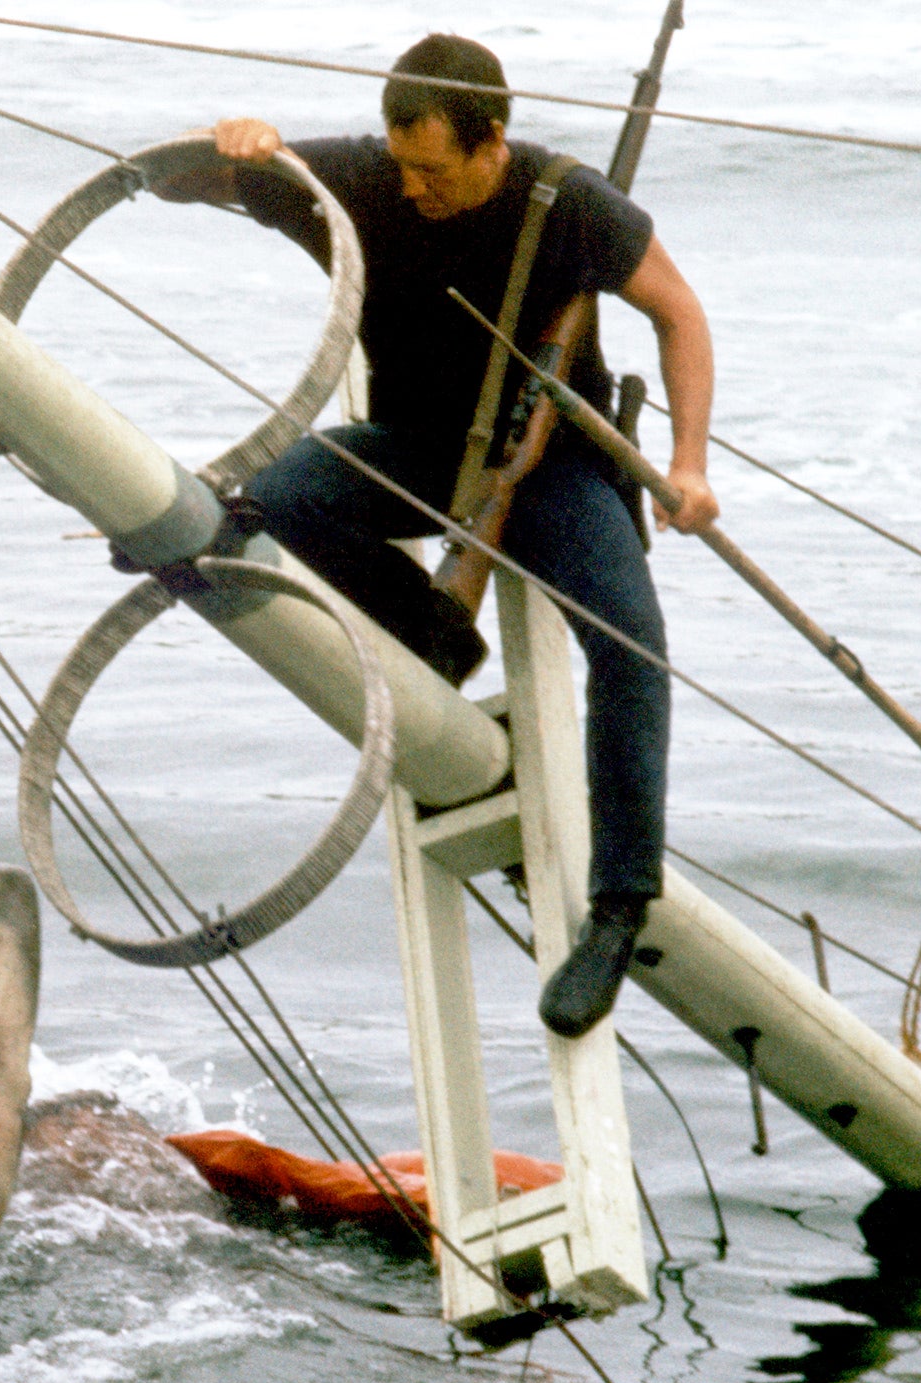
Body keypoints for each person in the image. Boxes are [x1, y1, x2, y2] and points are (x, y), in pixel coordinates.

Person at [154, 33, 720, 1038]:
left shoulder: (569, 201)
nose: (411, 189)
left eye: (433, 170)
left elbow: (679, 315)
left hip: (552, 470)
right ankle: (434, 632)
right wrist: (230, 146)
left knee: (632, 648)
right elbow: (178, 179)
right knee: (273, 493)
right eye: (400, 164)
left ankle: (619, 907)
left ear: (491, 141)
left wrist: (686, 467)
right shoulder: (365, 179)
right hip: (412, 446)